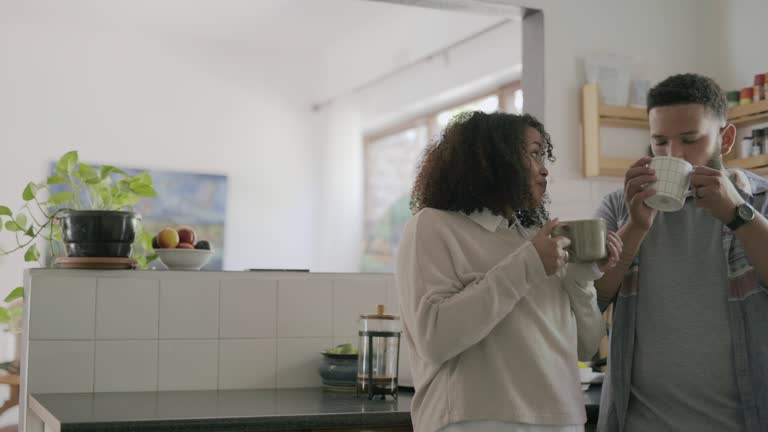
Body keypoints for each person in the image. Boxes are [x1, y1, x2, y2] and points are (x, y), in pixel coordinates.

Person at [396, 111, 622, 432]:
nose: (544, 169)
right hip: (475, 420)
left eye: (543, 155)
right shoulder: (433, 226)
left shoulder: (536, 238)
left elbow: (586, 347)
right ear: (491, 160)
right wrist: (529, 263)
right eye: (532, 154)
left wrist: (581, 276)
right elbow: (434, 339)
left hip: (562, 419)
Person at [594, 73, 768, 432]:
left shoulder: (760, 201)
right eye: (659, 142)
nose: (673, 154)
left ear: (727, 138)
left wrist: (738, 216)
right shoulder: (619, 206)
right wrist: (636, 226)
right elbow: (590, 298)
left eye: (690, 140)